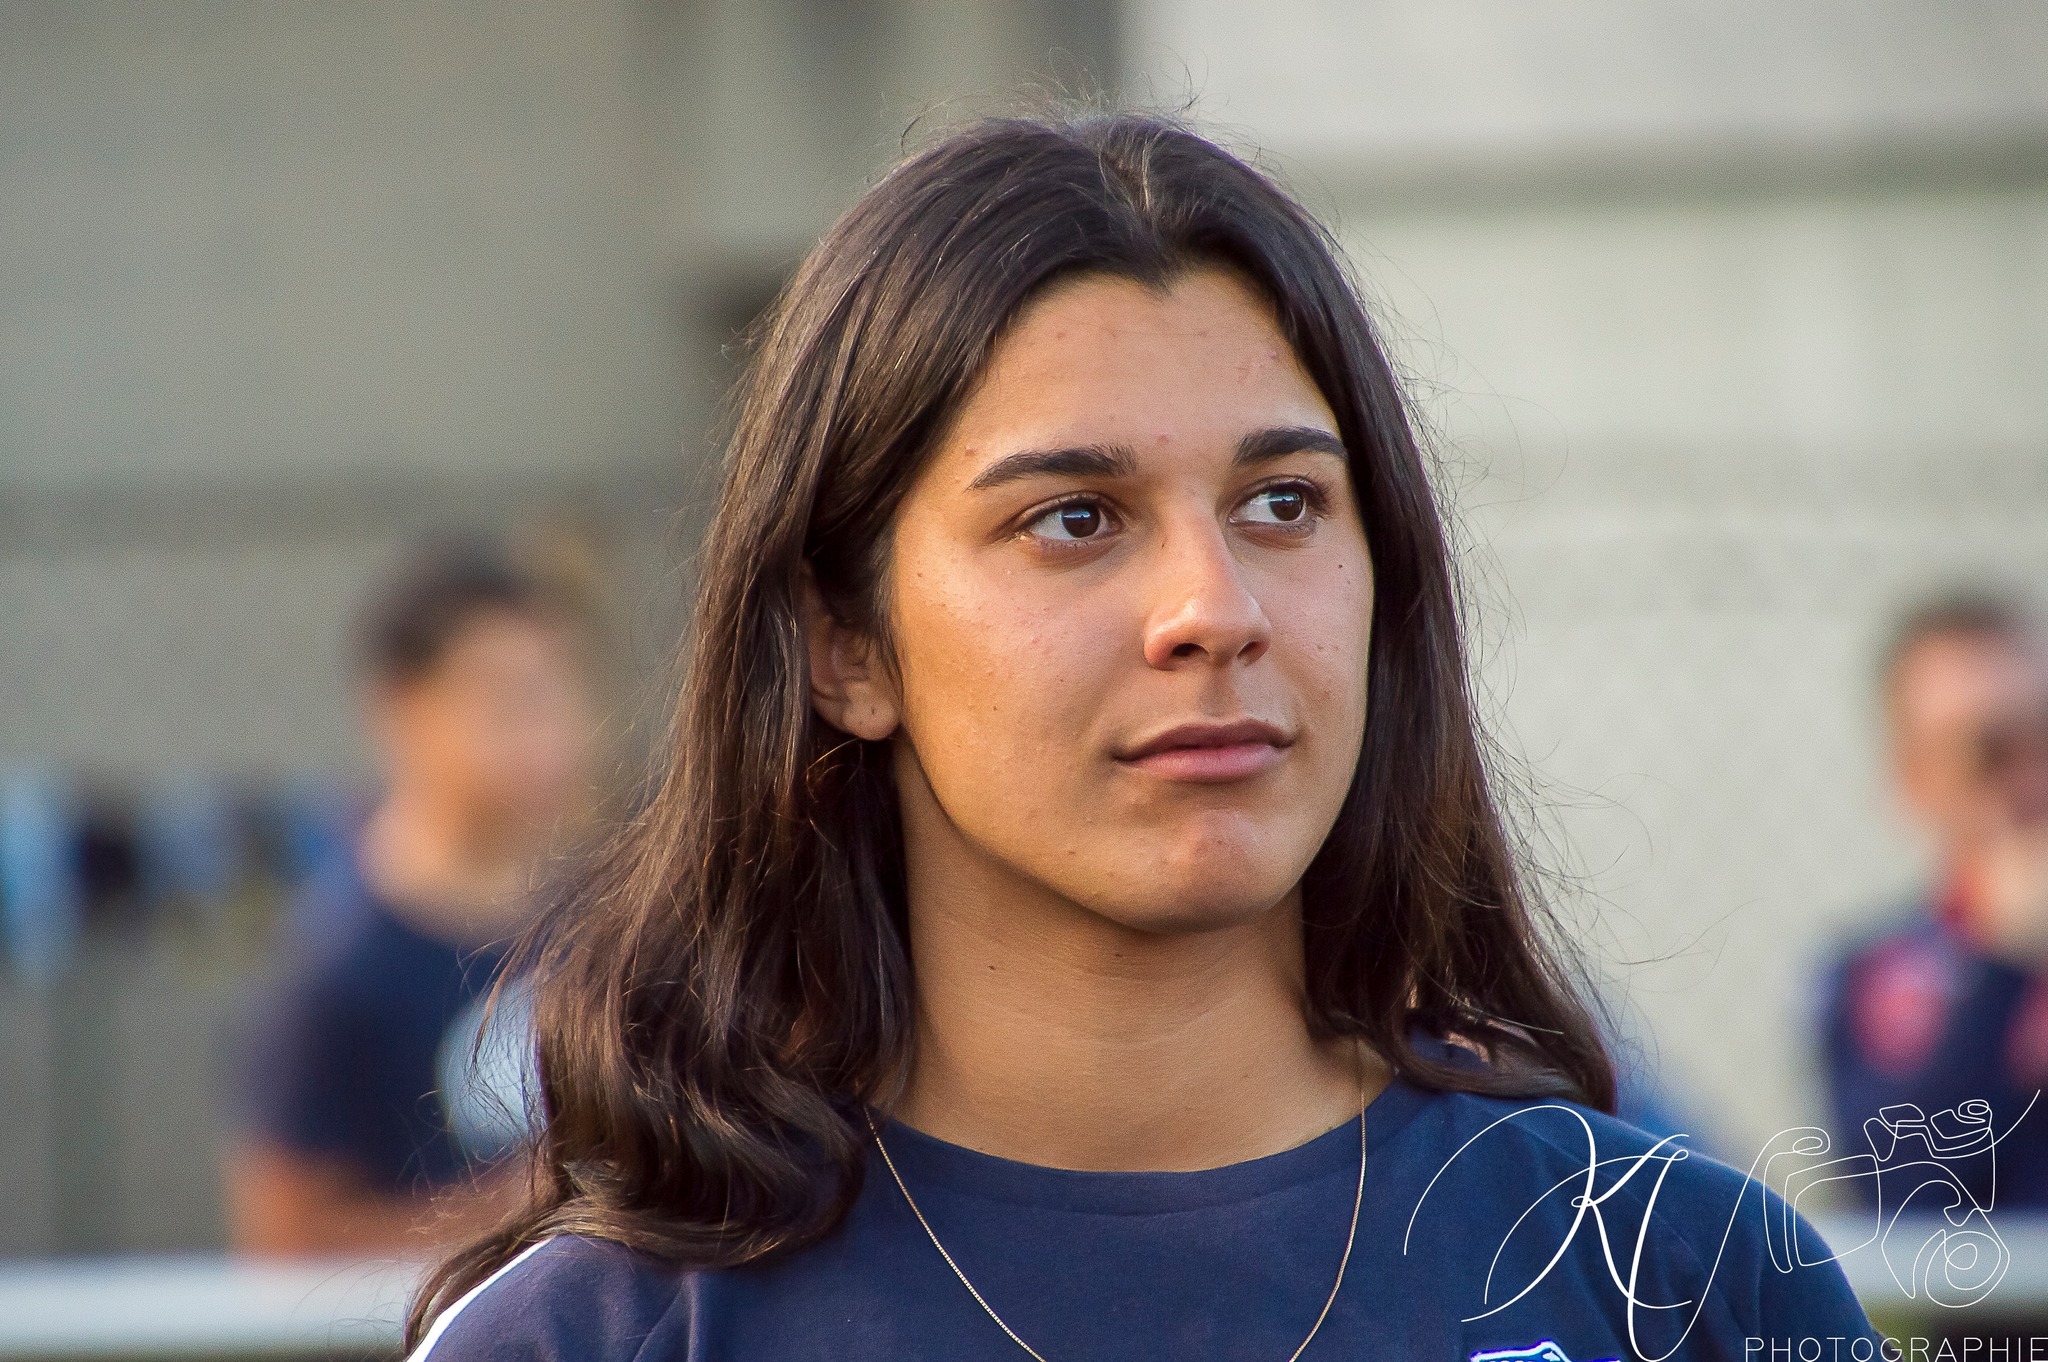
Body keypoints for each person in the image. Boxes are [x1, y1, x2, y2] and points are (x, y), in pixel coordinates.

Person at [404, 114, 1876, 1361]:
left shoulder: (1685, 1281)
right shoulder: (600, 1334)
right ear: (847, 645)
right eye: (1074, 519)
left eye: (1283, 503)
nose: (1213, 609)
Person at [225, 539, 598, 1255]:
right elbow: (283, 1247)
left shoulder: (611, 928)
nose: (546, 735)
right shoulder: (333, 970)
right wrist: (526, 1211)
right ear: (402, 708)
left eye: (557, 690)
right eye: (508, 699)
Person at [1821, 594, 2048, 1211]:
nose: (2031, 777)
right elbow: (1905, 1193)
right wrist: (2003, 962)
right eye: (1987, 752)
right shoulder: (1875, 975)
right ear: (1910, 779)